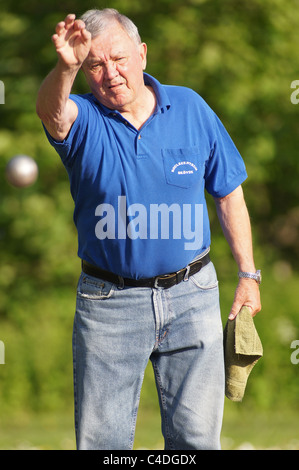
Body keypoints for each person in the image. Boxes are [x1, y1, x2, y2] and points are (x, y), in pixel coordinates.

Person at [36, 8, 261, 450]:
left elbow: (229, 193)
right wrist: (65, 66)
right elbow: (51, 111)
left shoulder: (191, 107)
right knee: (104, 444)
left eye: (118, 59)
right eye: (95, 65)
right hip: (109, 304)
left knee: (196, 442)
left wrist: (249, 276)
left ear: (142, 54)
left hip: (193, 295)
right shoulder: (84, 118)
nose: (111, 74)